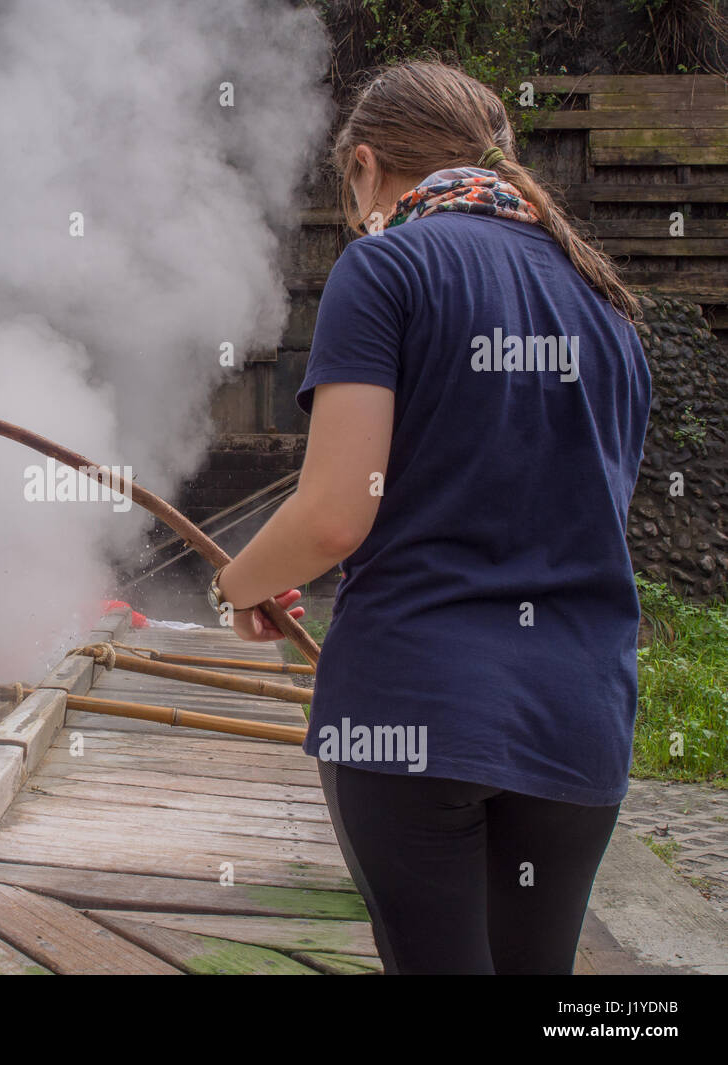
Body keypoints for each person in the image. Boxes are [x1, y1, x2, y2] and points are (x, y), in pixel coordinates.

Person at [205, 60, 652, 974]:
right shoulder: (609, 307)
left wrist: (238, 581)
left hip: (414, 709)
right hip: (579, 717)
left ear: (366, 167)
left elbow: (335, 513)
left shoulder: (386, 266)